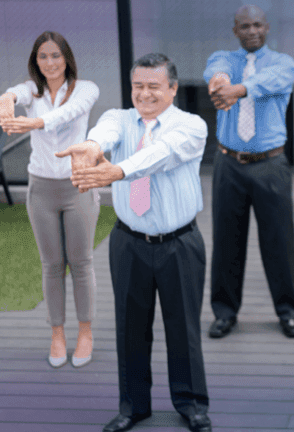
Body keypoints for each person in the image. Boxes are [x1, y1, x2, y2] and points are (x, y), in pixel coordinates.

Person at [56, 53, 212, 432]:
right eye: (138, 86)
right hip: (128, 243)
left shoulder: (191, 125)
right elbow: (103, 134)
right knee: (130, 327)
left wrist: (119, 170)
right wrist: (92, 147)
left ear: (173, 89)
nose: (144, 93)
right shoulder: (119, 119)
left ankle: (190, 404)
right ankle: (133, 406)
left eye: (154, 86)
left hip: (180, 243)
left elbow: (162, 154)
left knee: (183, 328)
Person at [0, 31, 100, 369]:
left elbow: (70, 113)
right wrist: (7, 99)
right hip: (41, 189)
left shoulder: (86, 88)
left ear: (66, 58)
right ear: (36, 61)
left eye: (56, 55)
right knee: (51, 265)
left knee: (81, 263)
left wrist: (36, 122)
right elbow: (15, 91)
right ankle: (57, 333)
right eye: (43, 57)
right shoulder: (32, 90)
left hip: (77, 186)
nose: (50, 63)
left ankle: (85, 331)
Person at [204, 5, 294, 339]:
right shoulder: (223, 58)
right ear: (235, 29)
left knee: (279, 241)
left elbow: (267, 82)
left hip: (270, 164)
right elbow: (215, 72)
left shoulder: (282, 63)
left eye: (257, 25)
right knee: (226, 240)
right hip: (229, 163)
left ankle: (288, 312)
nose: (251, 31)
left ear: (267, 27)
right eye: (244, 25)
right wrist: (220, 83)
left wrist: (238, 90)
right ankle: (224, 312)